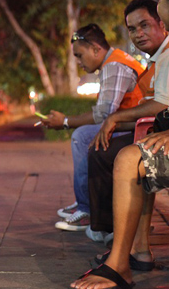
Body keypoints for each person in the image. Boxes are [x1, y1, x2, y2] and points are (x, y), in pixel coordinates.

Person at [71, 0, 169, 289]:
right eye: (132, 28)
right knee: (136, 151)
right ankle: (132, 250)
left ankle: (118, 258)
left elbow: (165, 105)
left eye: (160, 1)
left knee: (126, 157)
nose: (159, 8)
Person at [86, 0, 169, 245]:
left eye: (144, 25)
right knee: (101, 144)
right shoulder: (157, 58)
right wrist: (115, 124)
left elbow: (162, 106)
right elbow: (152, 114)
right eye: (132, 29)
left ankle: (113, 230)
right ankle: (116, 230)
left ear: (162, 23)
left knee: (106, 153)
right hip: (155, 129)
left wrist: (115, 117)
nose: (138, 34)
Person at [42, 24, 144, 232]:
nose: (78, 62)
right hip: (130, 123)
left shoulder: (114, 66)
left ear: (96, 49)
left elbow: (103, 114)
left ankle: (87, 209)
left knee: (81, 136)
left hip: (138, 127)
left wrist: (65, 121)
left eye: (79, 56)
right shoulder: (113, 62)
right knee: (84, 134)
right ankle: (85, 202)